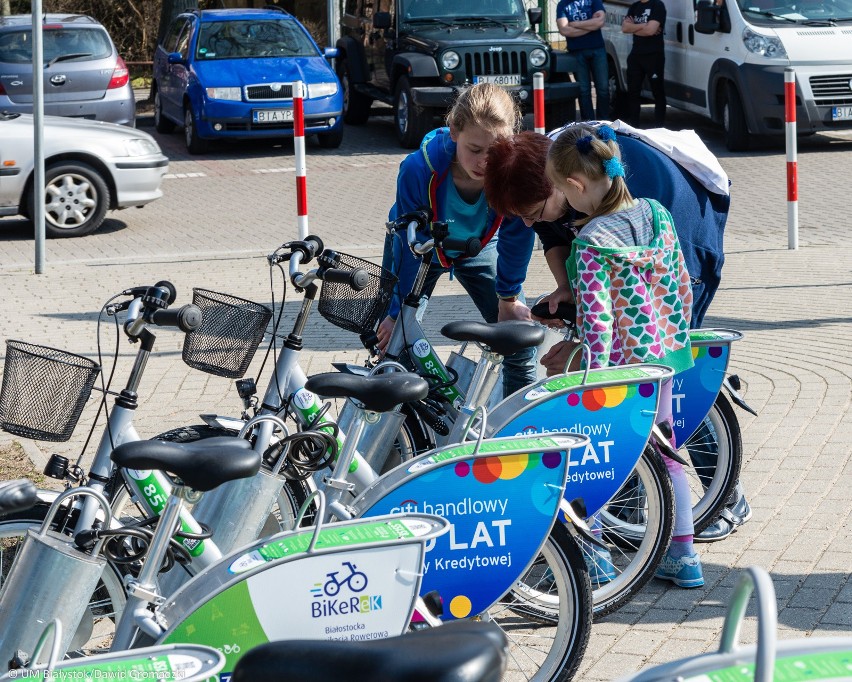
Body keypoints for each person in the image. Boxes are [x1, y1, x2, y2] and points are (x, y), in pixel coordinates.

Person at [484, 123, 748, 544]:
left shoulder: (629, 207)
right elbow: (553, 235)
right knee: (660, 432)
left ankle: (721, 499)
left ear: (563, 187)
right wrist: (566, 290)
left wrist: (587, 362)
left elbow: (659, 295)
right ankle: (666, 538)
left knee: (648, 420)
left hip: (690, 228)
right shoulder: (581, 182)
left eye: (534, 211)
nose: (531, 222)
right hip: (655, 332)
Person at [542, 122, 702, 587]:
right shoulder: (656, 215)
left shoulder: (592, 242)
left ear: (576, 186)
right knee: (669, 455)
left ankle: (596, 557)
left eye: (561, 191)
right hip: (667, 358)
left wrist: (595, 372)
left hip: (621, 370)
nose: (563, 201)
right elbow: (681, 283)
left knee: (602, 457)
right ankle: (685, 555)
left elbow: (598, 319)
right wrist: (677, 337)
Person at [377, 83, 537, 397]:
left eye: (497, 150)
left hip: (478, 247)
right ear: (453, 132)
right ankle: (409, 432)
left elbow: (518, 236)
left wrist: (509, 298)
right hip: (419, 249)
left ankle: (520, 425)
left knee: (517, 340)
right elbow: (408, 248)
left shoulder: (511, 170)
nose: (485, 163)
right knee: (394, 342)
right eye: (475, 150)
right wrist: (397, 310)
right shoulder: (418, 169)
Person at [556, 0, 610, 120]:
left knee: (603, 89)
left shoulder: (593, 1)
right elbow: (564, 30)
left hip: (597, 49)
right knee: (583, 91)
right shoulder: (562, 4)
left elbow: (600, 21)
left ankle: (604, 121)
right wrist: (591, 26)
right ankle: (588, 122)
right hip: (576, 51)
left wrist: (575, 24)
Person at [622, 0, 667, 127]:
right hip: (636, 55)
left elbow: (650, 31)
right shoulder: (635, 7)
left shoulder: (657, 5)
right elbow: (625, 28)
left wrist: (635, 27)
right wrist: (644, 25)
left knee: (658, 92)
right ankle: (634, 127)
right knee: (633, 93)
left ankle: (659, 127)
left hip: (654, 56)